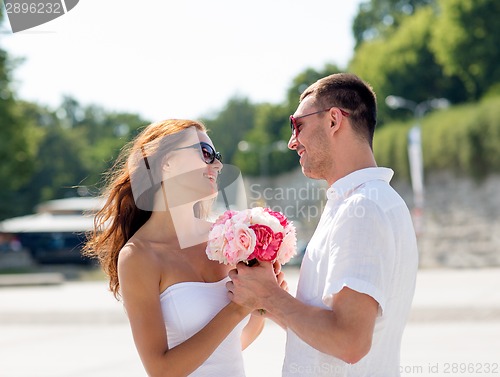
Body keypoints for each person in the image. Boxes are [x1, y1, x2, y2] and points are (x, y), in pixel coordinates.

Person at [227, 73, 419, 376]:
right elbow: (327, 336)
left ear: (333, 121)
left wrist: (270, 296)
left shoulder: (362, 207)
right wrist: (271, 297)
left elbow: (349, 342)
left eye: (297, 124)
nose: (292, 142)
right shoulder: (367, 202)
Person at [83, 119, 269, 377]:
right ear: (167, 162)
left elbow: (228, 348)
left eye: (217, 156)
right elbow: (161, 370)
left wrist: (260, 306)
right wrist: (239, 309)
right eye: (206, 153)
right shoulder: (138, 256)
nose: (217, 164)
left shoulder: (227, 236)